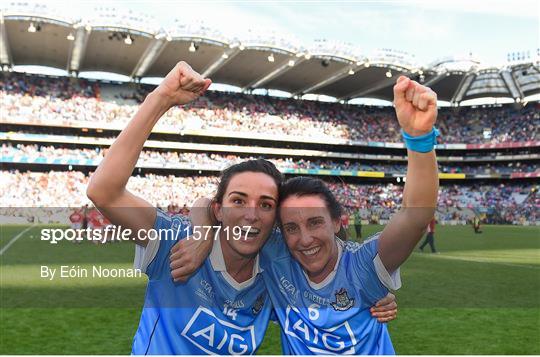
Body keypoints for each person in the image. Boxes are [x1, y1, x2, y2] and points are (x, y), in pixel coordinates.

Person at [86, 61, 396, 354]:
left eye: (265, 204)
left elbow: (333, 279)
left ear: (275, 219)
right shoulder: (177, 243)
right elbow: (105, 193)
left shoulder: (276, 270)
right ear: (219, 210)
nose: (250, 214)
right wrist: (161, 98)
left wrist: (373, 295)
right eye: (238, 200)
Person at [177, 75, 439, 354]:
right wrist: (203, 235)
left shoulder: (363, 266)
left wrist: (419, 139)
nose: (304, 239)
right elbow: (207, 203)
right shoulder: (277, 256)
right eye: (291, 227)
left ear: (337, 221)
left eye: (315, 222)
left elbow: (414, 216)